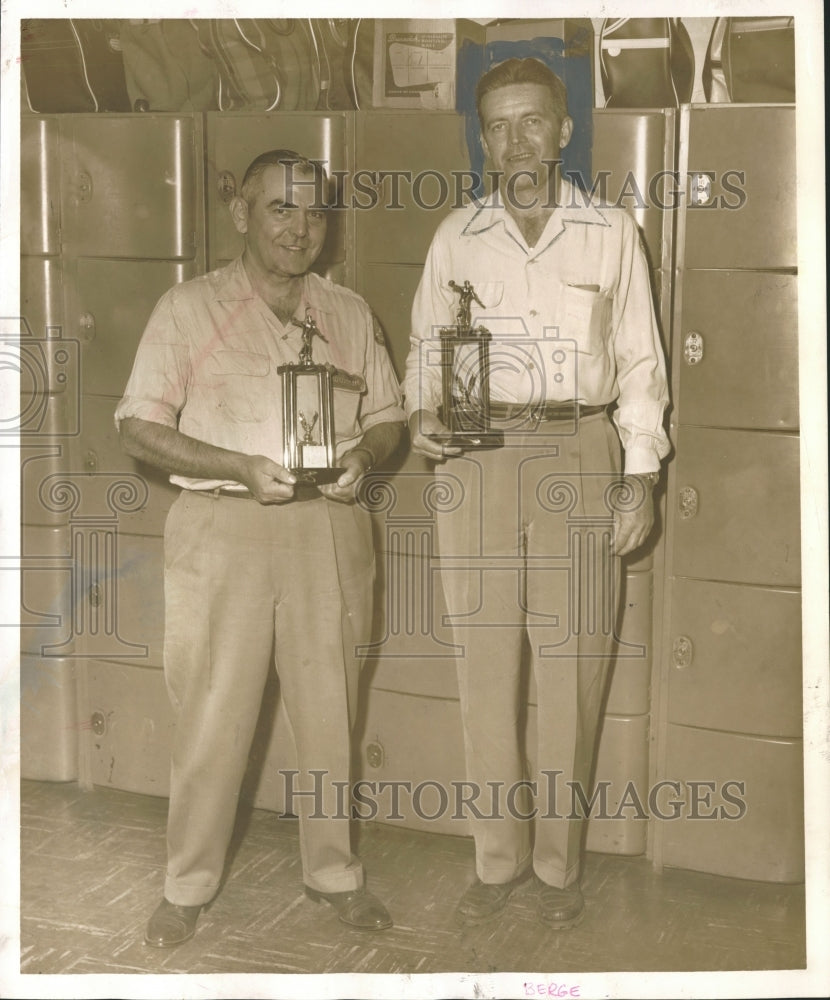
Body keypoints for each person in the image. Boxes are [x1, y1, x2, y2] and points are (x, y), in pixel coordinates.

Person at [404, 58, 669, 929]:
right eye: (499, 125)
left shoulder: (609, 233)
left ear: (563, 131)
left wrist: (638, 475)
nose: (515, 139)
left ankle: (557, 868)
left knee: (573, 667)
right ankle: (497, 859)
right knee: (483, 665)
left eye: (532, 121)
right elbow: (421, 351)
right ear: (484, 138)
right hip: (477, 457)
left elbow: (639, 366)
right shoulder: (457, 237)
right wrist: (417, 418)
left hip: (580, 448)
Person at [116, 149, 406, 946]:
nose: (300, 228)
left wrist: (365, 456)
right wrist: (236, 466)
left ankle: (334, 871)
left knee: (330, 710)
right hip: (224, 528)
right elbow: (139, 426)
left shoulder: (348, 312)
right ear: (242, 212)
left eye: (314, 212)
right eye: (280, 207)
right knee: (212, 713)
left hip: (328, 527)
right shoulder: (187, 309)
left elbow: (389, 417)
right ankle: (188, 884)